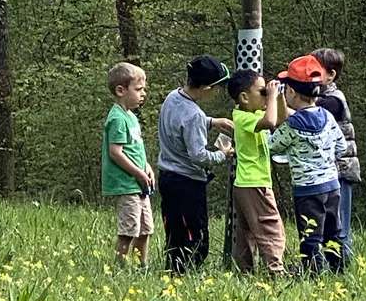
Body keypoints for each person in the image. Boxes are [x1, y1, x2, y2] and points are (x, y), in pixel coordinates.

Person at [268, 55, 347, 273]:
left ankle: (313, 273)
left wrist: (266, 122)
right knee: (333, 232)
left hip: (307, 191)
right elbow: (341, 147)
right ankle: (338, 269)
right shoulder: (328, 117)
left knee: (310, 235)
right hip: (332, 186)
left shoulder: (292, 126)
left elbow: (271, 146)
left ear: (291, 92)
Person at [158, 55, 234, 272]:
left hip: (168, 177)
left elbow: (179, 124)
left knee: (175, 231)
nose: (219, 91)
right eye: (218, 87)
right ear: (207, 88)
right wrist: (222, 153)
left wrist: (211, 122)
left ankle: (172, 269)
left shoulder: (173, 97)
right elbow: (199, 156)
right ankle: (186, 272)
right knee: (196, 235)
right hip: (188, 183)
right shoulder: (194, 115)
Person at [226, 70, 287, 274]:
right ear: (244, 97)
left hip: (246, 183)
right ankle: (276, 270)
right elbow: (269, 123)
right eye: (260, 92)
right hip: (254, 183)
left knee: (248, 233)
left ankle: (245, 271)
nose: (264, 95)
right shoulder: (242, 117)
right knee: (270, 226)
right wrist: (270, 97)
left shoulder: (253, 113)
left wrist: (279, 96)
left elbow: (279, 118)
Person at [101, 62, 155, 268]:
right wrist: (138, 173)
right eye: (139, 89)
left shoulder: (131, 117)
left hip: (140, 183)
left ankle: (142, 266)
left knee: (145, 228)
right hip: (127, 183)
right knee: (129, 230)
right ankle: (119, 267)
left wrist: (147, 167)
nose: (143, 94)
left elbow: (135, 149)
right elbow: (116, 153)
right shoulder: (117, 118)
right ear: (121, 90)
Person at [311, 48, 360, 266]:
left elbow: (307, 116)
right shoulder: (319, 97)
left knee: (339, 227)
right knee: (325, 225)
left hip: (340, 169)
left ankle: (341, 269)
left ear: (330, 75)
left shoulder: (332, 101)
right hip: (327, 171)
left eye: (315, 70)